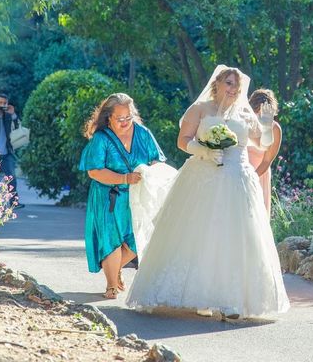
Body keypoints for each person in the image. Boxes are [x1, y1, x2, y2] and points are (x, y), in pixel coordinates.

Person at [126, 65, 290, 319]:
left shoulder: (246, 112)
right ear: (216, 84)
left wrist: (266, 125)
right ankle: (200, 295)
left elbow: (262, 142)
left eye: (236, 84)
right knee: (200, 233)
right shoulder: (200, 109)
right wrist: (203, 150)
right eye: (229, 83)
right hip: (203, 176)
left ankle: (231, 302)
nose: (233, 89)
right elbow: (183, 140)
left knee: (236, 237)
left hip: (238, 178)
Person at [79, 93, 167, 300]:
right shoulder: (101, 139)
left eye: (129, 117)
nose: (125, 122)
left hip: (138, 196)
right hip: (108, 196)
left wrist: (153, 174)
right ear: (108, 117)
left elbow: (157, 160)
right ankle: (111, 285)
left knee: (138, 240)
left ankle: (115, 268)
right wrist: (124, 178)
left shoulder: (143, 133)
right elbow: (94, 171)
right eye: (120, 118)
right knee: (111, 241)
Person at [247, 89, 282, 215]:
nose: (258, 115)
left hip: (259, 175)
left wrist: (251, 178)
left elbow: (267, 160)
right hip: (238, 172)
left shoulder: (274, 128)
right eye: (256, 110)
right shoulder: (246, 123)